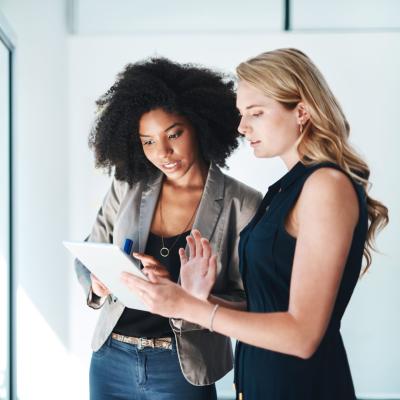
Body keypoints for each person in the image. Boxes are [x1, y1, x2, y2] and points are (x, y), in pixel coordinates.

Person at [121, 48, 389, 400]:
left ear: (302, 112)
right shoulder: (285, 189)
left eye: (256, 113)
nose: (242, 127)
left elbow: (302, 335)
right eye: (241, 114)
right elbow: (268, 307)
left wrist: (188, 307)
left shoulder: (326, 186)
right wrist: (199, 296)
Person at [74, 57, 262, 400]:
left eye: (173, 134)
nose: (163, 152)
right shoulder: (127, 186)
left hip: (182, 366)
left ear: (200, 125)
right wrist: (98, 284)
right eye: (148, 141)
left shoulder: (243, 204)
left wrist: (183, 292)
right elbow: (89, 253)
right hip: (110, 357)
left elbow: (252, 301)